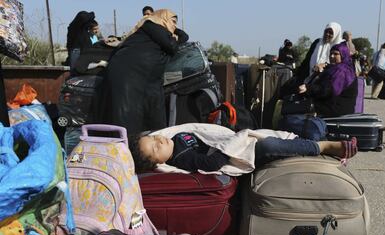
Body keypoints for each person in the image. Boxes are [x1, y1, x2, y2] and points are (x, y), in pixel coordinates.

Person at [96, 9, 189, 142]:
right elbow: (172, 46)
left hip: (143, 75)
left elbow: (183, 38)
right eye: (172, 22)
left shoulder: (157, 30)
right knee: (126, 114)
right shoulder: (152, 26)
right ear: (162, 18)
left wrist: (175, 32)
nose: (174, 26)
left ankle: (144, 148)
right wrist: (176, 35)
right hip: (128, 72)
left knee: (151, 110)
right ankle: (125, 150)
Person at [131, 123, 358, 174]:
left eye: (155, 137)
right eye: (154, 146)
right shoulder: (181, 159)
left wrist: (231, 136)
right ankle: (325, 146)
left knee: (274, 136)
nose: (160, 140)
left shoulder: (179, 136)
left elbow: (205, 132)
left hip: (232, 141)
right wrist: (231, 145)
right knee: (269, 146)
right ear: (157, 162)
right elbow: (210, 164)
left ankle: (318, 143)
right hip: (234, 154)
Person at [297, 41, 357, 117]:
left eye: (336, 54)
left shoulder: (342, 71)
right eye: (331, 54)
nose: (332, 56)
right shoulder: (337, 69)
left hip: (337, 109)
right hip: (334, 105)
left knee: (299, 108)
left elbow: (327, 90)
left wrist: (308, 88)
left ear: (343, 55)